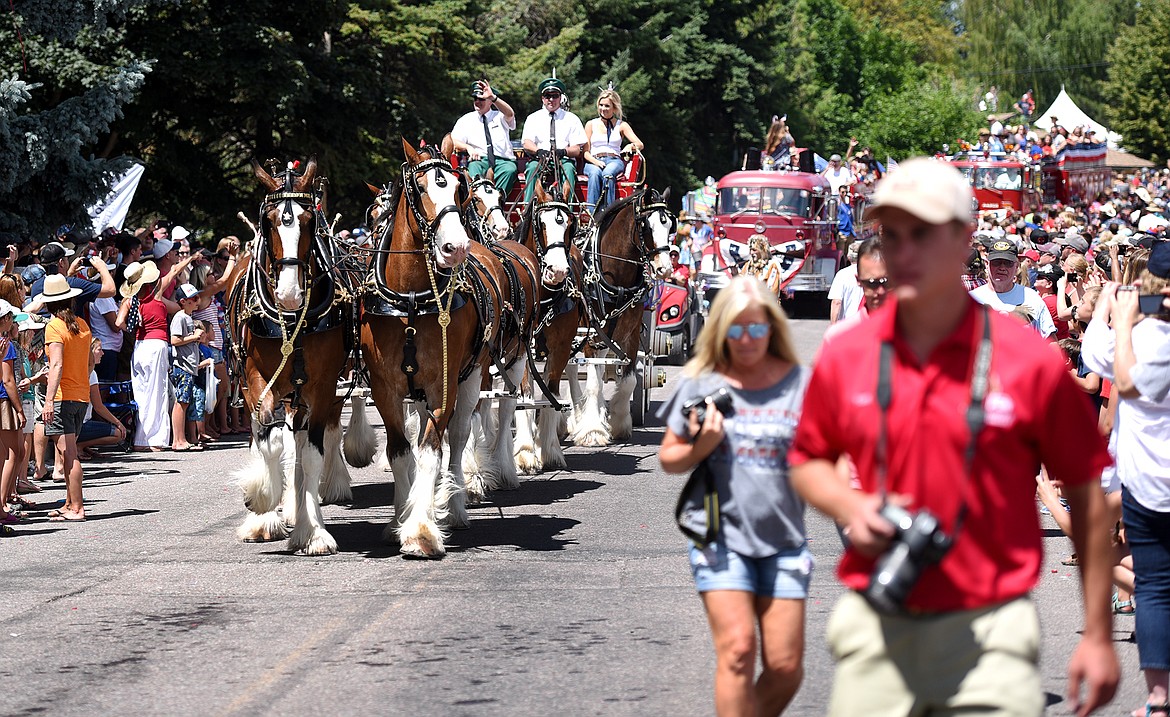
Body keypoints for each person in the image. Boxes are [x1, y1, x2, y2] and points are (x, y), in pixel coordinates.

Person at [788, 157, 1118, 717]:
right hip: (880, 620)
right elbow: (807, 460)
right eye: (892, 235)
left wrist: (1097, 633)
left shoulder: (1027, 360)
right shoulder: (847, 354)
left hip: (992, 628)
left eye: (923, 232)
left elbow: (1088, 497)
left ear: (966, 240)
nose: (904, 251)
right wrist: (849, 505)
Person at [657, 275, 812, 716]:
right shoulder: (701, 384)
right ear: (721, 330)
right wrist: (701, 445)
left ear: (774, 328)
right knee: (739, 649)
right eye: (736, 329)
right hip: (719, 539)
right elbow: (669, 458)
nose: (747, 339)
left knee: (785, 667)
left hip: (784, 541)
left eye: (757, 328)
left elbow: (829, 456)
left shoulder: (801, 384)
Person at [1082, 249, 1170, 717]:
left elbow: (1121, 374)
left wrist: (1111, 312)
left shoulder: (1143, 338)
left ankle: (1160, 700)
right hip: (1143, 486)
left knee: (1155, 587)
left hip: (1149, 487)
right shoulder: (1145, 332)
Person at [37, 275, 93, 522]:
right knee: (68, 452)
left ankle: (77, 507)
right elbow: (90, 362)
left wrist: (49, 400)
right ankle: (70, 503)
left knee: (68, 453)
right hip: (81, 395)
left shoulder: (54, 326)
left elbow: (57, 364)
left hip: (62, 396)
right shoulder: (82, 324)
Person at [115, 261, 173, 452]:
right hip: (156, 345)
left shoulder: (130, 301)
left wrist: (132, 330)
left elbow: (118, 322)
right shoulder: (155, 298)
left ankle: (141, 438)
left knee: (141, 393)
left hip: (140, 346)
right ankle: (154, 440)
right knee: (157, 393)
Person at [970, 240, 1057, 337]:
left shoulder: (1032, 298)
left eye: (1008, 263)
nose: (1002, 268)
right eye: (996, 262)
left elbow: (1050, 342)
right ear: (987, 264)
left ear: (1016, 266)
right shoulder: (971, 299)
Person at [521, 77, 586, 203]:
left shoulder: (572, 119)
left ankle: (567, 210)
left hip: (563, 159)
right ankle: (528, 210)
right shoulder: (533, 118)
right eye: (547, 96)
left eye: (555, 96)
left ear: (560, 98)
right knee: (532, 169)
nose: (551, 99)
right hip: (540, 159)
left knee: (569, 170)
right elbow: (527, 143)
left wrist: (563, 152)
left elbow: (577, 149)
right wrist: (538, 151)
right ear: (542, 98)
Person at [451, 79, 519, 196]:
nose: (477, 101)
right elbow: (453, 141)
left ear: (490, 101)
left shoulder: (499, 116)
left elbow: (510, 114)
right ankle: (478, 204)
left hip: (503, 161)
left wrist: (493, 97)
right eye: (475, 99)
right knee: (473, 169)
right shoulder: (466, 120)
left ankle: (497, 202)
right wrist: (468, 147)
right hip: (480, 160)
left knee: (510, 170)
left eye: (481, 99)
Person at [583, 88, 643, 215]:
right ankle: (591, 213)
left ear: (614, 108)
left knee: (608, 174)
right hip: (594, 160)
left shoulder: (621, 125)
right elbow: (585, 152)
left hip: (613, 160)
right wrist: (595, 162)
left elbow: (640, 144)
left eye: (607, 106)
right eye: (601, 105)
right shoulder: (591, 124)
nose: (603, 108)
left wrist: (630, 146)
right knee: (594, 174)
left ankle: (608, 212)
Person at [169, 283, 205, 451]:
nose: (197, 301)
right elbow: (174, 340)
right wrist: (194, 337)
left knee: (184, 401)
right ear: (183, 301)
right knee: (181, 402)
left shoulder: (187, 317)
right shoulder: (180, 317)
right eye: (193, 298)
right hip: (182, 366)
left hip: (188, 366)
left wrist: (196, 338)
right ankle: (179, 440)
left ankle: (181, 439)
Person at [0, 300, 25, 526]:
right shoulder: (5, 343)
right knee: (12, 453)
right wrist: (19, 408)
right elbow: (8, 380)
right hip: (4, 401)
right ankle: (2, 503)